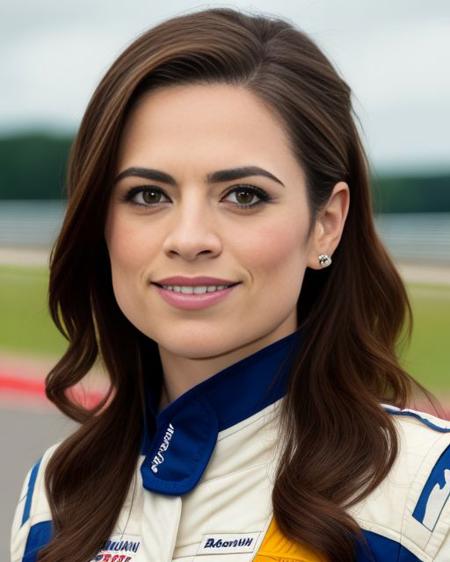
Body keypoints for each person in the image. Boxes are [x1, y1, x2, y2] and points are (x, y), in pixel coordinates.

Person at [10, 7, 450, 562]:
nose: (190, 238)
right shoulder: (54, 495)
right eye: (148, 195)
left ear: (326, 223)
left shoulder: (425, 493)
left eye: (243, 195)